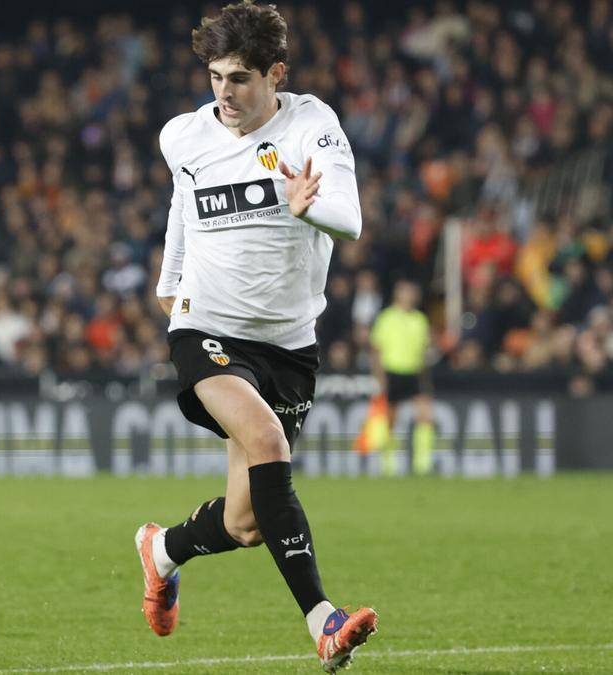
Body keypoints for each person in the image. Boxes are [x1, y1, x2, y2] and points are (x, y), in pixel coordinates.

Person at [134, 2, 377, 672]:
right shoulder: (183, 136)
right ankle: (323, 621)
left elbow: (350, 218)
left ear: (276, 74)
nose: (224, 92)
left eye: (239, 78)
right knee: (268, 441)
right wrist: (169, 280)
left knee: (245, 523)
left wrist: (310, 206)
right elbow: (184, 203)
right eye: (215, 76)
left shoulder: (311, 126)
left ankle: (161, 549)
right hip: (206, 327)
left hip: (289, 346)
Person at [370, 279, 435, 476]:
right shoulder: (386, 318)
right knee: (391, 420)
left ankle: (423, 463)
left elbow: (424, 352)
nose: (410, 296)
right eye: (406, 291)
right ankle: (388, 462)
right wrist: (380, 377)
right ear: (397, 294)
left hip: (414, 372)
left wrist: (425, 378)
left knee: (425, 415)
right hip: (393, 371)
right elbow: (377, 350)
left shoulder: (420, 320)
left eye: (412, 292)